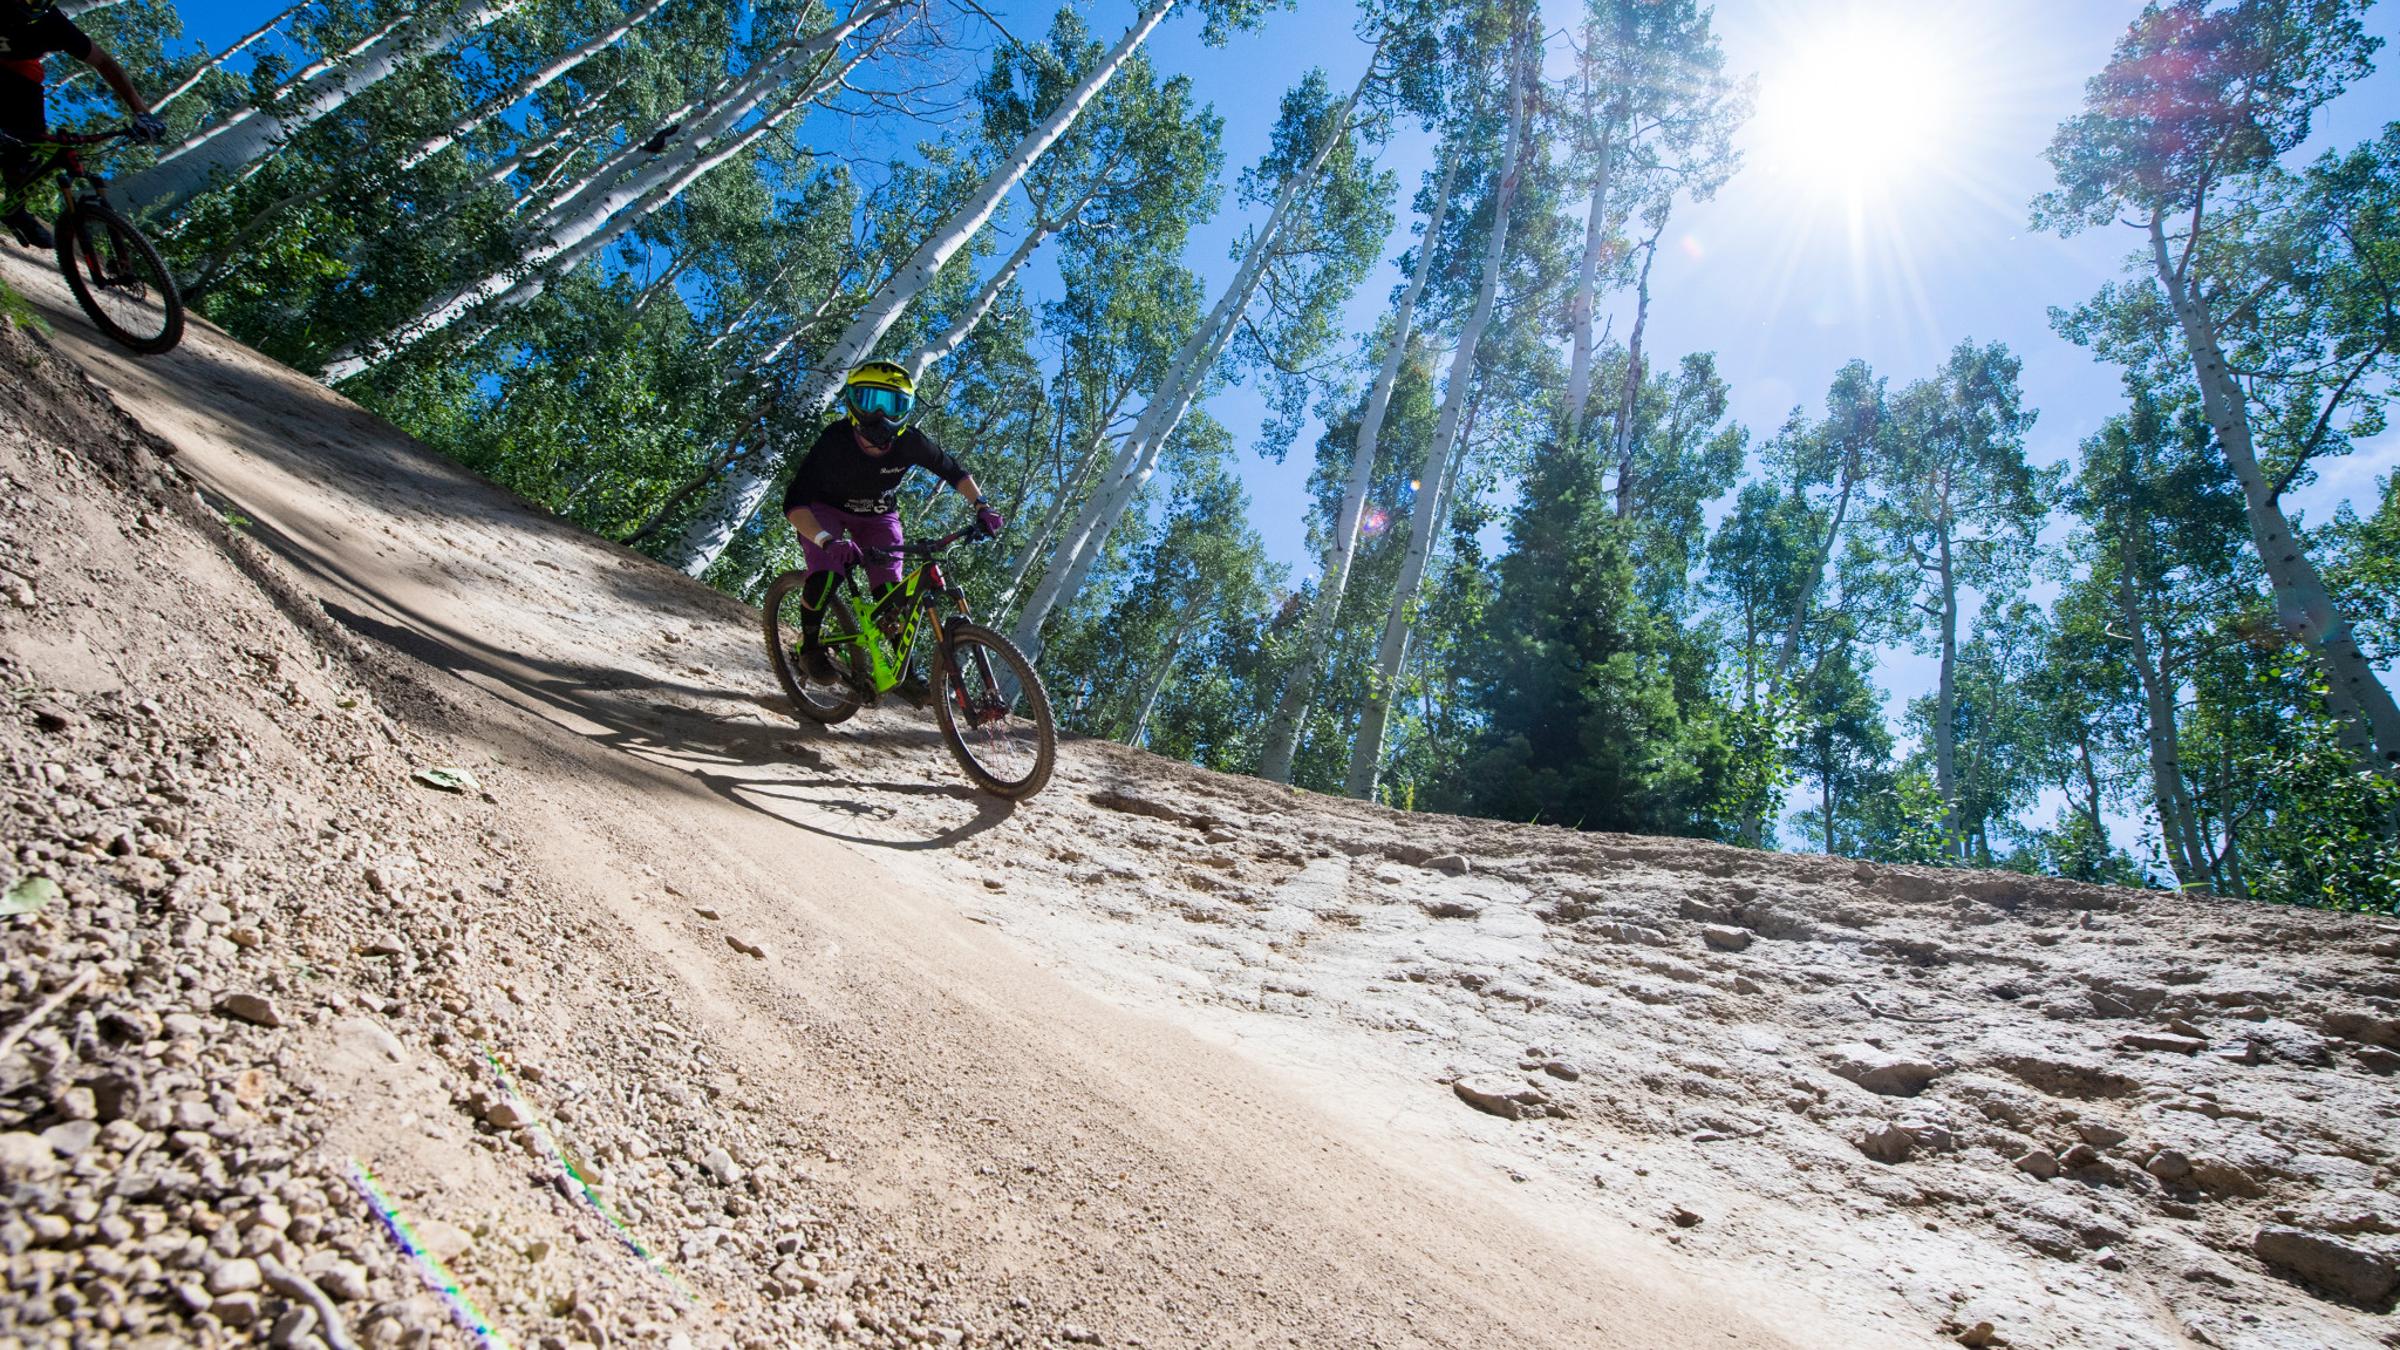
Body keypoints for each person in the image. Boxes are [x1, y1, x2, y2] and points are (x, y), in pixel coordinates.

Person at [782, 359, 1003, 702]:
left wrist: (982, 506)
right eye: (871, 401)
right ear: (853, 403)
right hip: (825, 512)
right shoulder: (834, 441)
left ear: (907, 410)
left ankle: (907, 675)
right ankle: (810, 647)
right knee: (826, 576)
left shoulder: (911, 442)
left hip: (878, 517)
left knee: (891, 596)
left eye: (894, 405)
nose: (881, 415)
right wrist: (826, 541)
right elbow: (795, 503)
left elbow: (953, 471)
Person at [0, 0, 165, 249]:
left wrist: (142, 113)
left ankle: (15, 209)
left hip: (19, 72)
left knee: (31, 146)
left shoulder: (53, 25)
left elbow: (103, 62)